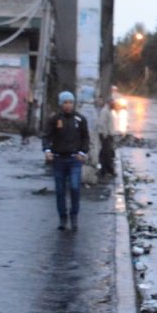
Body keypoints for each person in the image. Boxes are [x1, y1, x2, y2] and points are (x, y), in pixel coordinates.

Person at [43, 91, 90, 231]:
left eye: (70, 102)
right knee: (60, 190)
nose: (68, 105)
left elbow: (85, 137)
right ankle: (62, 217)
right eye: (65, 102)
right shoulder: (54, 119)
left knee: (75, 187)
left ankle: (74, 215)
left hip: (75, 159)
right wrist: (47, 150)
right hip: (59, 159)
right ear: (61, 104)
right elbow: (46, 136)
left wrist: (82, 152)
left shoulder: (80, 119)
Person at [96, 97, 119, 178]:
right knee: (107, 154)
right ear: (109, 103)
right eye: (113, 103)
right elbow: (102, 123)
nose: (114, 104)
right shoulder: (105, 111)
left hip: (107, 135)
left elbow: (109, 124)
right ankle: (107, 170)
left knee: (106, 153)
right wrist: (105, 134)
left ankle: (105, 170)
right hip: (105, 135)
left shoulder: (108, 111)